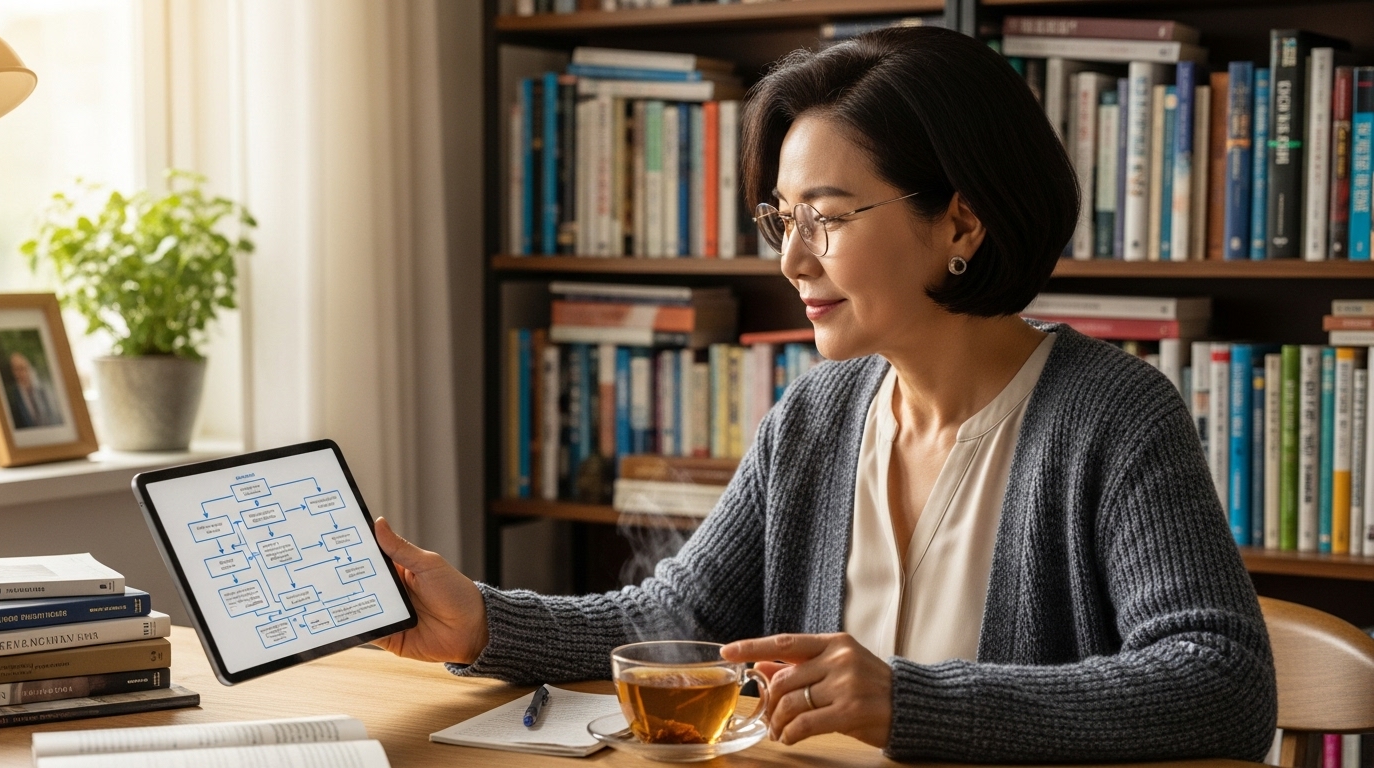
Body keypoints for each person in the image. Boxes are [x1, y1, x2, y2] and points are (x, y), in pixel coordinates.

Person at [372, 26, 1275, 763]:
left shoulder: (1115, 417)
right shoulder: (816, 416)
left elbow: (1220, 681)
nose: (791, 260)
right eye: (782, 218)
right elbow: (674, 620)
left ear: (961, 220)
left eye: (828, 218)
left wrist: (907, 700)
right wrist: (482, 623)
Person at [2, 351, 63, 429]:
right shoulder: (12, 396)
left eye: (22, 368)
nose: (20, 373)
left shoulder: (43, 390)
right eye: (16, 369)